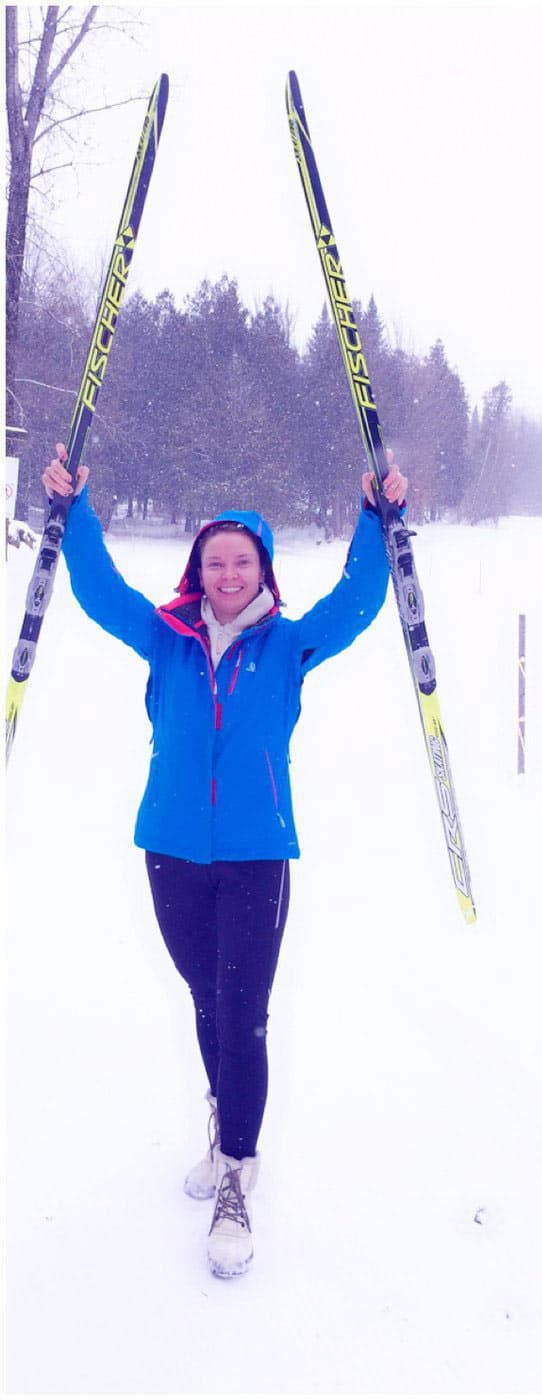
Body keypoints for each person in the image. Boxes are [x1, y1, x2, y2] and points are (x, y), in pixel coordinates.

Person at [41, 442, 408, 1280]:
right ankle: (224, 1127)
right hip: (169, 849)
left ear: (264, 570)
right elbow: (97, 591)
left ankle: (239, 1170)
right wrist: (77, 508)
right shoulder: (166, 639)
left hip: (255, 857)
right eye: (217, 561)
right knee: (206, 1000)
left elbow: (357, 604)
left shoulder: (287, 647)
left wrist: (374, 518)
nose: (230, 573)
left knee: (243, 1012)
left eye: (243, 561)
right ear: (199, 571)